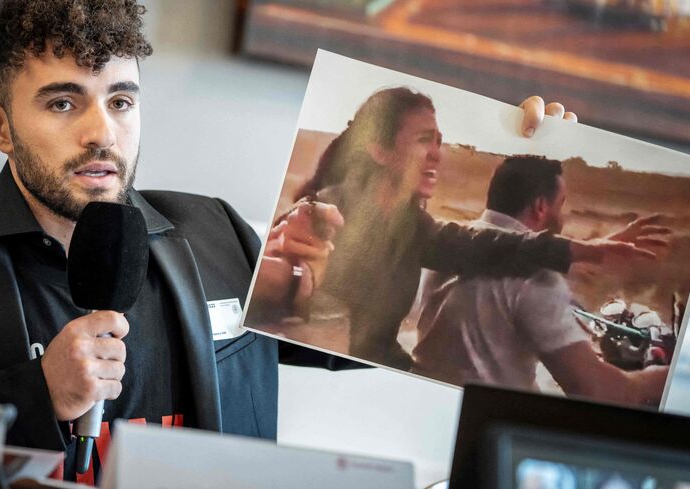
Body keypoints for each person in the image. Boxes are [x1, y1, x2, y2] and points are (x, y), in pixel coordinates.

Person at [0, 0, 588, 483]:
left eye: (121, 100)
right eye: (63, 102)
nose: (102, 131)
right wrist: (38, 395)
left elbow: (370, 322)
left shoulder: (216, 234)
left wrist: (515, 138)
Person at [262, 88, 657, 371]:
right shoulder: (321, 214)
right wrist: (289, 278)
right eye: (423, 140)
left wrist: (589, 249)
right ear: (378, 150)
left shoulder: (409, 225)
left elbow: (482, 244)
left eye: (440, 140)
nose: (438, 152)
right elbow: (279, 335)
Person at [411, 155, 670, 404]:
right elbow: (599, 391)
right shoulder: (536, 277)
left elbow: (500, 268)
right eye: (561, 204)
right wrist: (659, 378)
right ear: (540, 207)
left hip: (422, 397)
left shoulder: (454, 246)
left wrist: (589, 250)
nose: (563, 216)